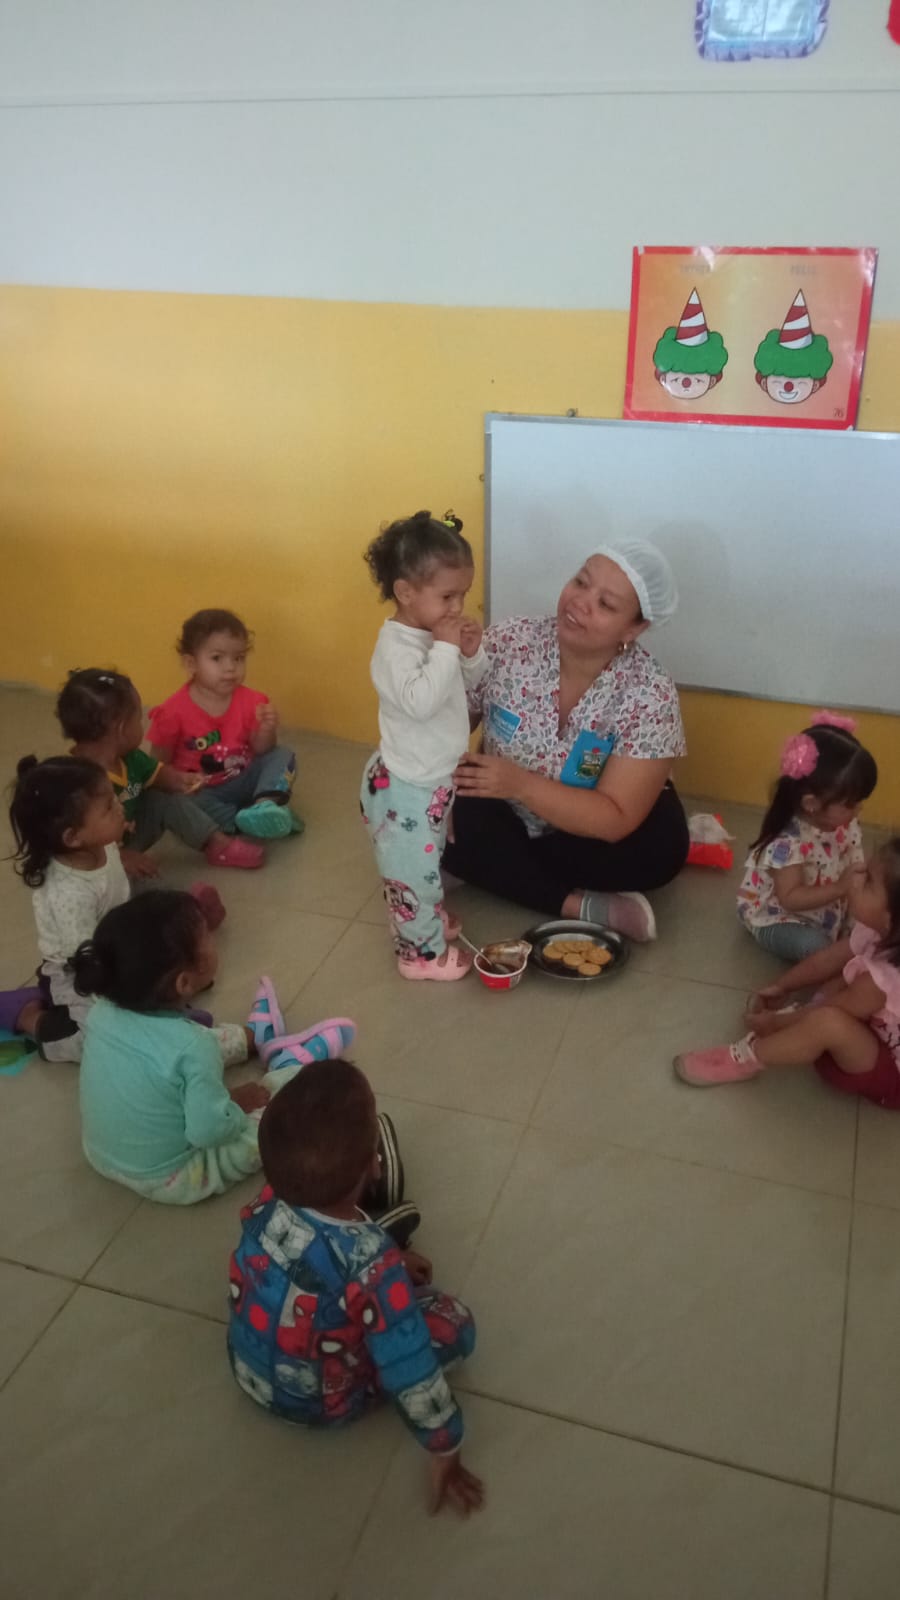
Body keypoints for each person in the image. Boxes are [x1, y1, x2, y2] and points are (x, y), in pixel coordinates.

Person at [227, 1059, 484, 1517]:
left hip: (251, 1375)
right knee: (457, 1324)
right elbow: (411, 1370)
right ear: (375, 1165)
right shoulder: (373, 1264)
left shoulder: (265, 1202)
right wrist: (446, 1445)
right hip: (326, 1403)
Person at [443, 541, 689, 941]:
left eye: (605, 604)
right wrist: (441, 790)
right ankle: (581, 905)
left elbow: (615, 818)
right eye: (581, 582)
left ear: (634, 628)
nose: (580, 602)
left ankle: (492, 868)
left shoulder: (650, 693)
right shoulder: (509, 642)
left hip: (584, 833)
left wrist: (520, 784)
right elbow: (446, 729)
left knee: (660, 849)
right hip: (504, 812)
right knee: (417, 799)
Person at [74, 891, 357, 1203]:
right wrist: (234, 1104)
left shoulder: (101, 1011)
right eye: (207, 936)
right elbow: (208, 1132)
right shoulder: (193, 1048)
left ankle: (252, 1037)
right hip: (171, 1176)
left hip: (101, 1155)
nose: (214, 939)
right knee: (271, 1127)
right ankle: (289, 1068)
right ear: (184, 983)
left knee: (193, 1044)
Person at [675, 839, 900, 1103]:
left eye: (868, 880)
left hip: (891, 1075)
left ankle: (747, 1057)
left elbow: (829, 1012)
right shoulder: (879, 931)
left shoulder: (880, 983)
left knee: (828, 1021)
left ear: (890, 919)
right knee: (843, 977)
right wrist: (783, 985)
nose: (856, 874)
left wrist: (775, 1024)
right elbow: (827, 959)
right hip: (873, 1031)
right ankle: (803, 1023)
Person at [361, 510, 486, 980]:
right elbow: (421, 702)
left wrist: (469, 654)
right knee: (412, 873)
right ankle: (419, 955)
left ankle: (425, 919)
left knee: (427, 862)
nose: (458, 607)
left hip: (432, 774)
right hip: (406, 786)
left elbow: (463, 685)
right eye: (447, 596)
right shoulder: (394, 649)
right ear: (406, 592)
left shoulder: (435, 636)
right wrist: (448, 649)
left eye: (463, 594)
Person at [58, 666, 259, 888]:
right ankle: (172, 903)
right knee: (125, 884)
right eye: (138, 719)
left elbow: (157, 773)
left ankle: (216, 844)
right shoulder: (77, 782)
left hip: (130, 833)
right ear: (121, 729)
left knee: (162, 797)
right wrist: (120, 858)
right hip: (97, 861)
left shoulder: (129, 757)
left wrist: (181, 780)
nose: (142, 725)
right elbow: (74, 845)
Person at [4, 755, 130, 1061]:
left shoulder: (98, 842)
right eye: (109, 807)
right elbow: (84, 962)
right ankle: (29, 1015)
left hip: (112, 946)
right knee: (98, 1043)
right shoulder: (69, 892)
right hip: (77, 971)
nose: (120, 807)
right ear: (73, 837)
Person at [148, 608, 302, 847]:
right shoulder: (172, 712)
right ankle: (246, 820)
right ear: (191, 663)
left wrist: (266, 729)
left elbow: (262, 749)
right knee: (179, 802)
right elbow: (157, 765)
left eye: (238, 658)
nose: (230, 668)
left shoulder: (253, 701)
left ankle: (265, 805)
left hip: (244, 777)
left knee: (283, 755)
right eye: (217, 658)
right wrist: (178, 780)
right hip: (204, 791)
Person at [735, 713, 874, 963]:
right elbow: (790, 898)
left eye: (860, 801)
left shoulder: (845, 823)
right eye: (850, 804)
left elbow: (855, 866)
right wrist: (840, 887)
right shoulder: (787, 842)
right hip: (780, 917)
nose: (858, 810)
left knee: (874, 930)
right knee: (816, 947)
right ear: (811, 803)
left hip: (827, 909)